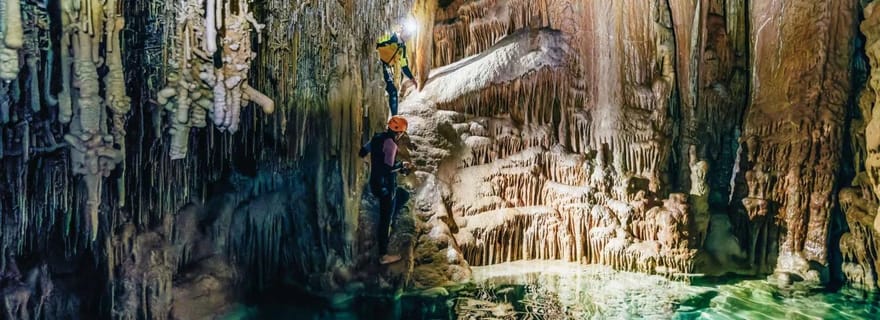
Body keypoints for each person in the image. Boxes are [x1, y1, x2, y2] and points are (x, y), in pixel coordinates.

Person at [359, 116, 415, 264]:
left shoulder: (376, 138)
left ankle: (391, 214)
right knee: (385, 219)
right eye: (402, 133)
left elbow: (362, 152)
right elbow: (388, 167)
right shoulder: (391, 144)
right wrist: (402, 166)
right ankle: (383, 255)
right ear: (399, 133)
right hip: (385, 187)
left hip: (374, 183)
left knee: (403, 195)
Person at [376, 26, 419, 116]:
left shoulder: (402, 48)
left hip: (385, 67)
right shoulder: (390, 36)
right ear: (402, 31)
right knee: (389, 91)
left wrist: (412, 78)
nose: (408, 36)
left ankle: (394, 118)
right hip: (375, 62)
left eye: (410, 35)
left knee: (393, 92)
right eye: (407, 33)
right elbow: (375, 41)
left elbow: (404, 65)